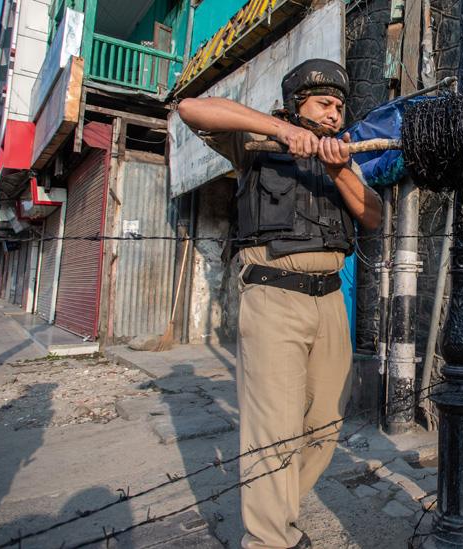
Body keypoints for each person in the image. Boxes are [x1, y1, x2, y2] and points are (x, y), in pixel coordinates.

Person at [178, 58, 381, 549]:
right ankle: (269, 540)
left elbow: (373, 216)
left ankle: (279, 514)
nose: (334, 114)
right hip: (273, 294)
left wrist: (338, 170)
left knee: (325, 424)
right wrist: (280, 131)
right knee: (274, 430)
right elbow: (190, 109)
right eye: (322, 104)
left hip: (331, 300)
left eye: (339, 106)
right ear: (296, 105)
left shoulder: (343, 157)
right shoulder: (254, 143)